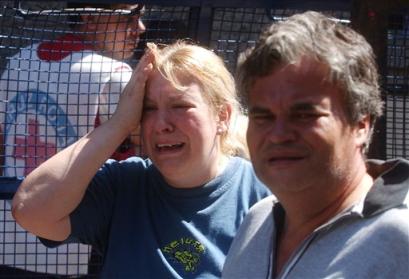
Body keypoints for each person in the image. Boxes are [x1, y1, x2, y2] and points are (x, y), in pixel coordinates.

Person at [11, 41, 271, 278]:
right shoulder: (123, 185)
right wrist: (118, 124)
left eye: (179, 106)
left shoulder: (263, 196)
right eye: (148, 109)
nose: (160, 124)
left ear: (222, 116)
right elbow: (30, 209)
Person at [223, 11, 409, 279]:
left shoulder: (398, 238)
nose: (278, 134)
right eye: (263, 116)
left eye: (304, 115)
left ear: (361, 125)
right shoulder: (258, 219)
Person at [0, 3, 146, 275]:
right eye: (129, 18)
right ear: (89, 17)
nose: (139, 28)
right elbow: (139, 158)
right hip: (73, 251)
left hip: (8, 240)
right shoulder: (116, 74)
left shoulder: (19, 60)